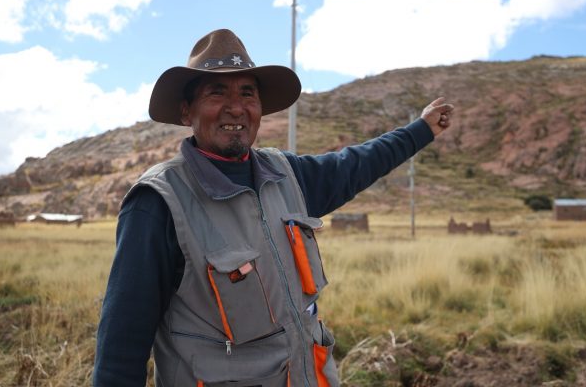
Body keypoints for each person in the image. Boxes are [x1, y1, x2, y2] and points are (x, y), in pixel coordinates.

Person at [93, 28, 454, 387]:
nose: (236, 106)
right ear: (187, 111)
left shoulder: (287, 175)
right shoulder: (159, 202)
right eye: (217, 91)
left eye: (247, 92)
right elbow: (121, 348)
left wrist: (420, 130)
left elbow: (356, 164)